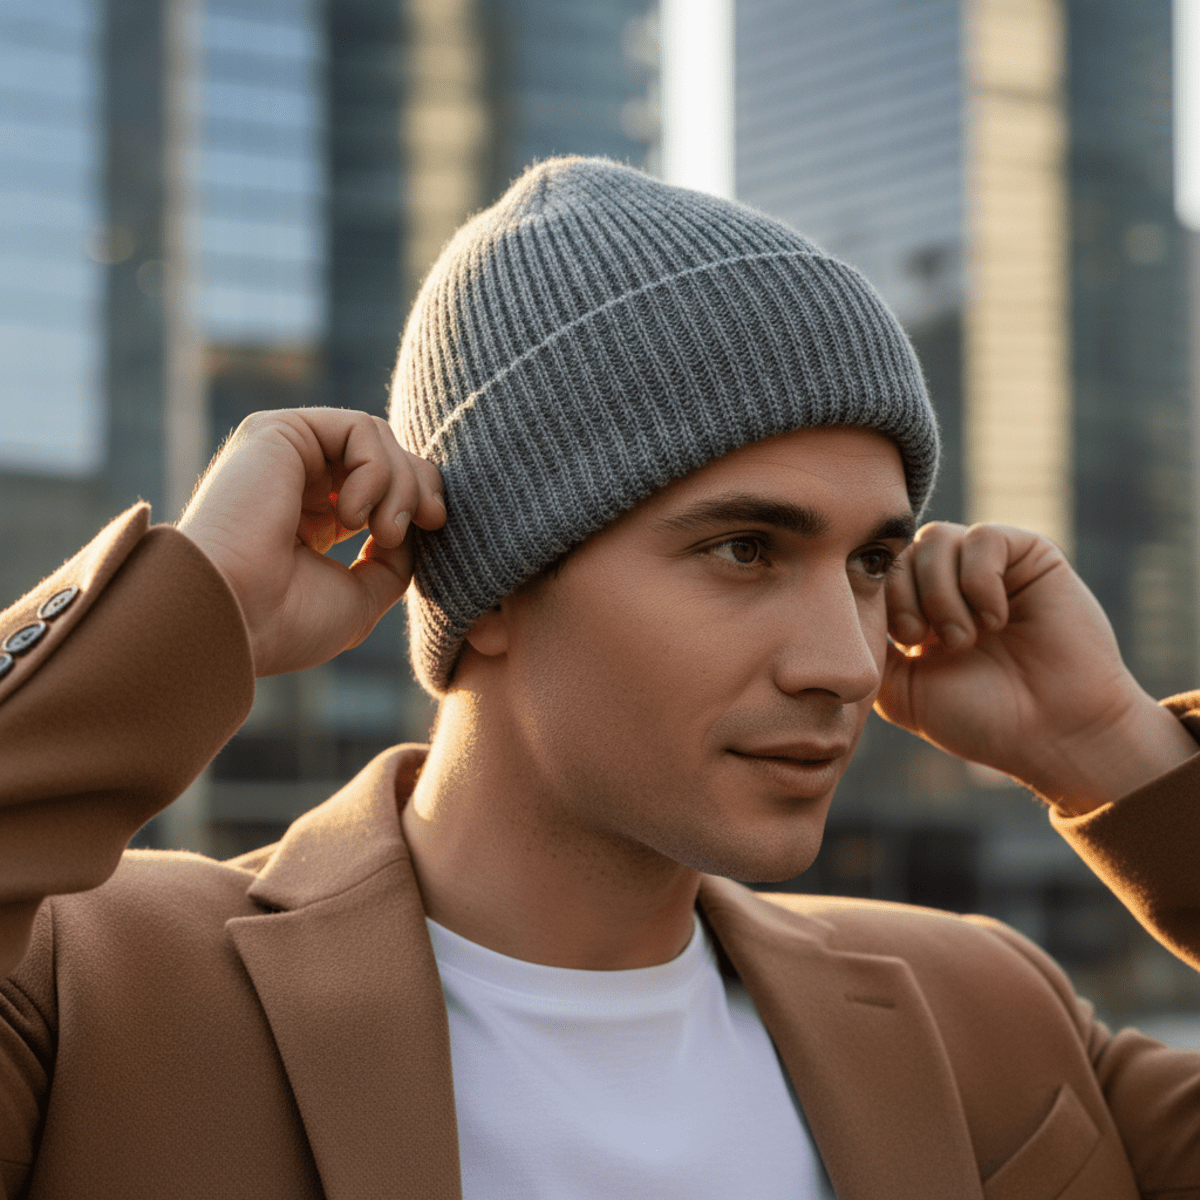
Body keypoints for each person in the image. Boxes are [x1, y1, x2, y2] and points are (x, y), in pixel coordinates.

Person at [2, 157, 1199, 1199]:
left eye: (873, 562)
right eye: (746, 550)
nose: (847, 661)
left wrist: (1112, 751)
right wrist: (188, 604)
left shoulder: (984, 1010)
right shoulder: (91, 988)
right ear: (501, 576)